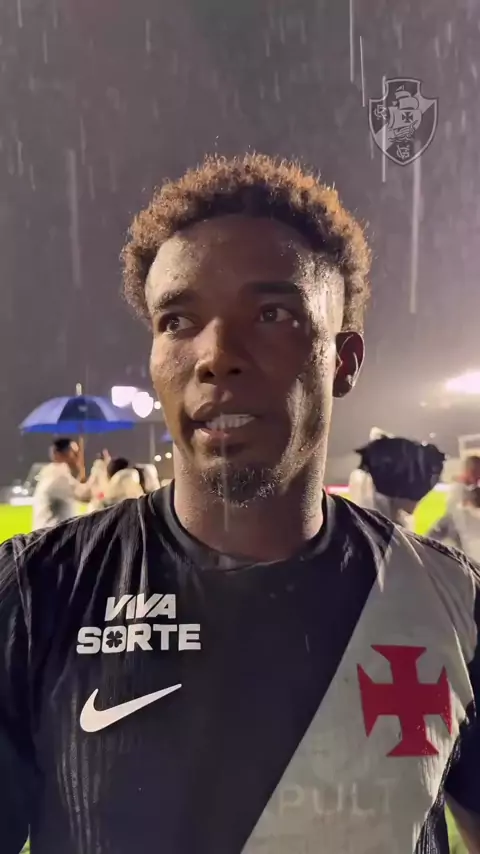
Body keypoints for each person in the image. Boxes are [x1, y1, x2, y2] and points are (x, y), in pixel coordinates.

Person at [1, 154, 480, 854]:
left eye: (271, 313)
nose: (216, 354)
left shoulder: (450, 599)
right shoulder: (37, 592)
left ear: (343, 360)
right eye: (178, 320)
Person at [32, 437, 107, 529]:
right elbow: (85, 495)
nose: (78, 457)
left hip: (50, 532)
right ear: (61, 455)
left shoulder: (52, 473)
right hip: (54, 535)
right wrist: (99, 467)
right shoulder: (58, 476)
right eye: (75, 453)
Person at [427, 456, 480, 561]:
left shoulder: (469, 493)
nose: (478, 478)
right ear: (469, 471)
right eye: (477, 473)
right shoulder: (453, 494)